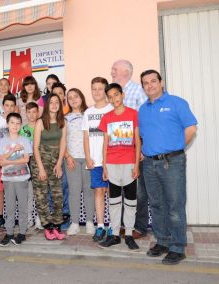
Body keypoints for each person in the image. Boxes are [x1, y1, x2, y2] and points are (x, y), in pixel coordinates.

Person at [139, 69, 197, 265]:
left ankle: (178, 247)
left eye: (153, 81)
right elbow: (144, 135)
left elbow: (191, 128)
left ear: (161, 82)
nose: (150, 85)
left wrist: (177, 149)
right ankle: (163, 242)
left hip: (172, 162)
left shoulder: (176, 103)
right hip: (149, 163)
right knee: (156, 205)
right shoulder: (143, 109)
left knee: (174, 206)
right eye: (145, 83)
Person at [98, 83, 140, 250]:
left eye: (116, 94)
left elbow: (137, 141)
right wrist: (104, 166)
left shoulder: (133, 114)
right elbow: (105, 143)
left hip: (129, 163)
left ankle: (128, 234)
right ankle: (115, 234)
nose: (114, 98)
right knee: (114, 201)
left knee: (130, 201)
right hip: (112, 164)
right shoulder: (107, 117)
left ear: (122, 95)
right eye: (110, 96)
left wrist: (136, 165)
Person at [111, 59, 149, 239]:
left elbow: (145, 122)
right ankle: (125, 226)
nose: (111, 73)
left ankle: (139, 226)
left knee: (138, 191)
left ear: (125, 72)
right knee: (122, 189)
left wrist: (142, 148)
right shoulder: (114, 95)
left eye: (114, 70)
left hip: (135, 150)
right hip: (119, 153)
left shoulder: (138, 91)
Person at [32, 93, 67, 240]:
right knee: (41, 196)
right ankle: (47, 227)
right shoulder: (40, 122)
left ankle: (58, 226)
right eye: (51, 102)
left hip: (56, 161)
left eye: (57, 102)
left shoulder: (63, 121)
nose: (54, 105)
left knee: (58, 195)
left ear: (60, 104)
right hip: (40, 161)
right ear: (47, 105)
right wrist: (40, 168)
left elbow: (63, 143)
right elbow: (35, 147)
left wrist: (59, 163)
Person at [83, 77, 113, 242]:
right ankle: (100, 225)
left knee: (113, 194)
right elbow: (86, 138)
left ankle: (113, 226)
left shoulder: (111, 109)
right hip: (95, 161)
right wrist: (88, 157)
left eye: (100, 89)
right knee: (99, 192)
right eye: (94, 89)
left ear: (105, 90)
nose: (97, 92)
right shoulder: (88, 112)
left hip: (111, 161)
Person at [0, 113, 32, 246]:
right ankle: (9, 232)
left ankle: (22, 233)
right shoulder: (2, 141)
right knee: (10, 207)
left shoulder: (24, 140)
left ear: (21, 125)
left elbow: (26, 159)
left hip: (22, 178)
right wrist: (13, 151)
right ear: (7, 124)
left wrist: (8, 161)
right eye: (12, 123)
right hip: (7, 179)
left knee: (23, 206)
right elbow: (0, 161)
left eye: (18, 123)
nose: (15, 126)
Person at [64, 88, 94, 236]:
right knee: (74, 191)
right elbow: (61, 141)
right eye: (70, 98)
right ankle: (74, 222)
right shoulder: (65, 118)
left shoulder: (90, 114)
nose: (74, 99)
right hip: (72, 160)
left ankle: (90, 222)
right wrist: (67, 156)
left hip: (89, 158)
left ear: (81, 97)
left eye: (76, 96)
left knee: (89, 190)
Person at [0, 94, 17, 229]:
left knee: (11, 189)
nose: (9, 108)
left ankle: (11, 216)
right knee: (0, 190)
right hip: (0, 160)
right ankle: (0, 216)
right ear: (3, 106)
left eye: (12, 105)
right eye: (7, 105)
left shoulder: (18, 121)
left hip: (14, 160)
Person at [51, 82, 70, 229]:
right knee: (53, 186)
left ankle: (65, 214)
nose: (58, 95)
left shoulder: (71, 112)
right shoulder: (49, 116)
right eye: (55, 93)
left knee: (65, 186)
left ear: (64, 95)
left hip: (69, 155)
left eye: (61, 93)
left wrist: (68, 155)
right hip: (54, 156)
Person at [19, 102, 40, 228]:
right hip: (26, 161)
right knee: (28, 193)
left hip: (39, 161)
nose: (31, 115)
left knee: (39, 191)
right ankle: (28, 218)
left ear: (38, 113)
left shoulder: (42, 126)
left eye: (34, 112)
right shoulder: (23, 129)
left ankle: (39, 217)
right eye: (29, 112)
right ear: (26, 113)